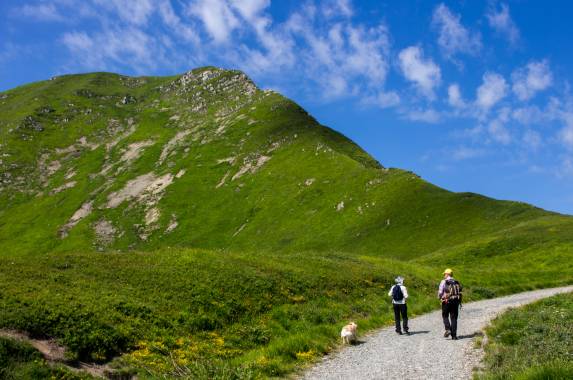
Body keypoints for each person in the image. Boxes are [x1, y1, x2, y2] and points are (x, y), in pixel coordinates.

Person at [438, 268, 463, 340]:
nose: (444, 276)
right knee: (454, 318)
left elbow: (440, 292)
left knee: (445, 315)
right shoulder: (456, 282)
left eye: (444, 274)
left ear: (447, 274)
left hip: (446, 301)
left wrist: (440, 298)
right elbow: (460, 291)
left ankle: (448, 329)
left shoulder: (443, 281)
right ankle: (454, 336)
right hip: (455, 301)